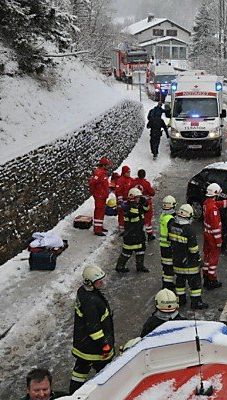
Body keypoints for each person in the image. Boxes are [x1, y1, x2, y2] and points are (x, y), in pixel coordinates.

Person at [69, 265, 114, 394]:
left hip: (84, 344)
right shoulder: (91, 301)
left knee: (80, 369)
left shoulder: (84, 292)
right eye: (99, 281)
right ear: (90, 283)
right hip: (94, 347)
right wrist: (104, 344)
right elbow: (94, 328)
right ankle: (108, 393)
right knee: (107, 372)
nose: (102, 283)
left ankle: (73, 393)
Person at [169, 204, 209, 309]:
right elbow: (193, 249)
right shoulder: (189, 229)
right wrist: (199, 260)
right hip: (190, 264)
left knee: (180, 282)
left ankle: (181, 300)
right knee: (195, 285)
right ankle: (196, 303)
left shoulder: (172, 225)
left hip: (177, 261)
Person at [202, 183, 227, 289]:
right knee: (213, 259)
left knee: (207, 257)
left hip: (207, 234)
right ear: (216, 193)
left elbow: (221, 203)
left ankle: (206, 276)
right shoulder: (213, 209)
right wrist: (219, 241)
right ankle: (212, 280)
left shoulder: (207, 203)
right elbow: (216, 228)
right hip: (212, 237)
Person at [115, 188, 150, 273]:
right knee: (127, 252)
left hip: (138, 232)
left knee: (141, 250)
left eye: (139, 197)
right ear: (132, 198)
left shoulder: (137, 205)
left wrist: (145, 203)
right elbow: (134, 213)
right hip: (131, 234)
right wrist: (136, 204)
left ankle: (140, 266)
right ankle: (120, 266)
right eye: (137, 197)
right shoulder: (128, 206)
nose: (138, 199)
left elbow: (146, 209)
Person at [88, 157, 112, 236]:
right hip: (99, 196)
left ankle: (99, 226)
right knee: (99, 211)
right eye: (107, 165)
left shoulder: (103, 172)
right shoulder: (99, 173)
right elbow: (92, 182)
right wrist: (95, 192)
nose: (108, 167)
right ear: (104, 165)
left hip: (102, 196)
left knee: (101, 211)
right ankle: (97, 229)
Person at [131, 169, 156, 240]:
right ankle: (149, 234)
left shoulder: (133, 182)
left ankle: (136, 233)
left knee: (137, 217)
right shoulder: (146, 183)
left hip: (136, 203)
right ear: (144, 175)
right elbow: (152, 193)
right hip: (145, 203)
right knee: (147, 218)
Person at [159, 195, 176, 291]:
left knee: (166, 266)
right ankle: (167, 285)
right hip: (168, 246)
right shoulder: (170, 219)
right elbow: (172, 233)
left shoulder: (163, 216)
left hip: (163, 245)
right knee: (169, 266)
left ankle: (166, 282)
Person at [115, 165, 132, 235]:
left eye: (129, 172)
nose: (129, 173)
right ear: (124, 172)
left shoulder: (130, 179)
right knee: (121, 214)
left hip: (128, 200)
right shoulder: (120, 180)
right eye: (128, 172)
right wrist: (120, 200)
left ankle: (127, 226)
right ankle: (121, 227)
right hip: (122, 200)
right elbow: (118, 191)